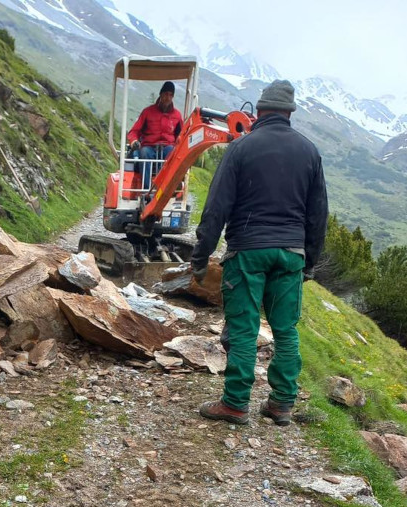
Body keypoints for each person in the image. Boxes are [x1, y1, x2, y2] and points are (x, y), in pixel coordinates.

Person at [191, 79, 328, 426]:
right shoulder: (309, 151)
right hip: (291, 253)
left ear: (260, 111)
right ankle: (281, 403)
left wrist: (200, 257)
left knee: (244, 327)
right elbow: (318, 215)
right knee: (285, 330)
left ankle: (236, 403)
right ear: (289, 113)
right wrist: (308, 262)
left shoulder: (242, 147)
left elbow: (216, 208)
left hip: (248, 251)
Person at [127, 81, 183, 192]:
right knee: (144, 153)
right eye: (166, 94)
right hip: (150, 146)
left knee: (173, 154)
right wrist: (134, 141)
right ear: (161, 94)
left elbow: (181, 135)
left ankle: (167, 189)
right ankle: (146, 190)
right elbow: (134, 131)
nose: (168, 97)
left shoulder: (177, 115)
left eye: (170, 95)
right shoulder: (148, 112)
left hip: (167, 147)